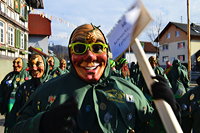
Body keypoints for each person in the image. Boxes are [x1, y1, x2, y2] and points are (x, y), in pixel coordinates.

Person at [11, 24, 180, 133]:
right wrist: (41, 124)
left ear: (107, 52)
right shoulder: (46, 92)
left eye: (97, 47)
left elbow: (153, 128)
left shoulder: (130, 91)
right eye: (79, 48)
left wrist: (167, 110)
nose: (90, 56)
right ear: (70, 54)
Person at [4, 54, 52, 131]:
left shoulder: (53, 85)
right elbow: (16, 110)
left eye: (38, 64)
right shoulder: (24, 86)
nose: (34, 67)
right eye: (31, 64)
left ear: (45, 65)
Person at [0, 57, 30, 132]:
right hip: (9, 110)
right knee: (8, 127)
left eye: (18, 63)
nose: (15, 65)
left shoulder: (28, 76)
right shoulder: (9, 76)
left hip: (21, 110)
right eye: (14, 62)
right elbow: (1, 90)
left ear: (23, 64)